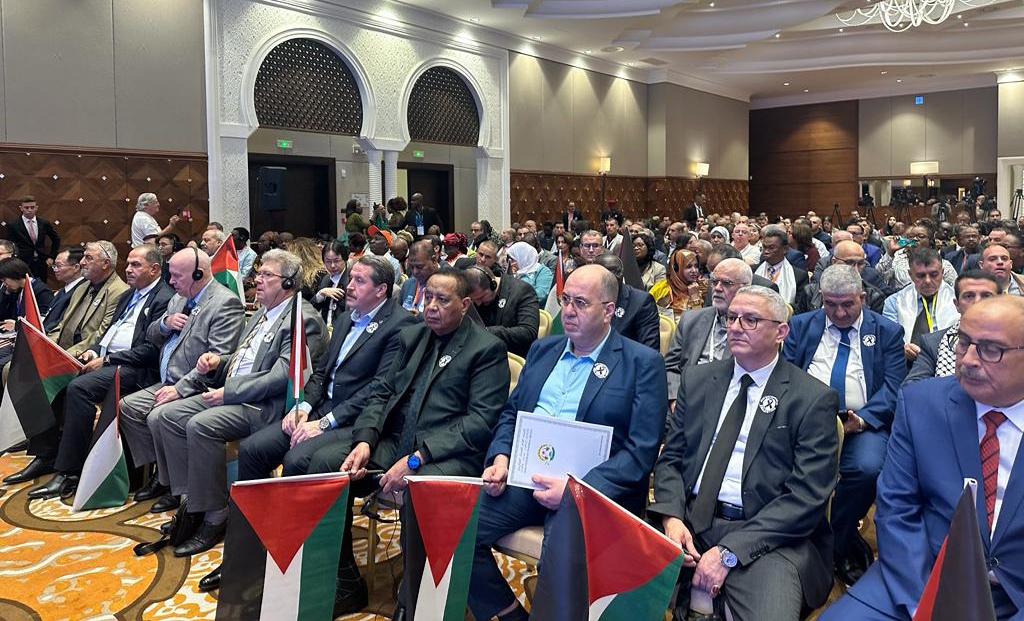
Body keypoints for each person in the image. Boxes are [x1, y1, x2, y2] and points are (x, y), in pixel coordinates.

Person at [467, 264, 668, 621]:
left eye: (581, 303)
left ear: (608, 310)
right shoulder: (543, 350)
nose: (569, 311)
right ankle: (510, 614)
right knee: (456, 527)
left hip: (591, 492)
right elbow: (512, 414)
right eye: (565, 300)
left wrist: (576, 490)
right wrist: (500, 458)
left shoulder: (642, 363)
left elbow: (641, 452)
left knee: (561, 553)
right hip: (526, 478)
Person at [824, 295, 1024, 620]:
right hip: (920, 577)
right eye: (963, 342)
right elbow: (897, 507)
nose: (968, 360)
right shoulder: (921, 404)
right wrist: (922, 604)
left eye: (991, 349)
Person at [652, 286, 839, 620]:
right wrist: (672, 516)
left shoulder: (811, 398)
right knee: (607, 588)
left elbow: (806, 497)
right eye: (732, 318)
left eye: (750, 320)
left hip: (768, 535)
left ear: (781, 332)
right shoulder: (699, 379)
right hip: (690, 521)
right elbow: (671, 459)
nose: (736, 327)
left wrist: (729, 552)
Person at [332, 270, 510, 617]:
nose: (431, 306)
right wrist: (366, 439)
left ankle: (412, 604)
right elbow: (382, 392)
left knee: (420, 488)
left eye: (442, 300)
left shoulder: (486, 348)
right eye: (428, 297)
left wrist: (417, 458)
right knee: (326, 465)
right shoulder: (412, 335)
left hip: (449, 452)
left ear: (465, 304)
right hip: (397, 439)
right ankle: (345, 579)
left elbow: (480, 422)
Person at [149, 249, 325, 556]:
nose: (257, 280)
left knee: (200, 425)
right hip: (234, 392)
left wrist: (228, 392)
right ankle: (191, 501)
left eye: (266, 275)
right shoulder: (261, 312)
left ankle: (215, 515)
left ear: (288, 283)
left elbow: (283, 377)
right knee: (164, 416)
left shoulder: (302, 319)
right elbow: (244, 359)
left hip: (265, 406)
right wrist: (218, 362)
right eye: (258, 273)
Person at [784, 264, 907, 586]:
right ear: (821, 298)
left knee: (867, 469)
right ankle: (797, 534)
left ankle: (835, 539)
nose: (839, 313)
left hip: (862, 421)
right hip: (806, 421)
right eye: (831, 304)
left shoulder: (887, 331)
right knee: (778, 462)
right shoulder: (801, 325)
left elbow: (894, 386)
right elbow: (786, 374)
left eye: (848, 304)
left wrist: (862, 420)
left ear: (862, 297)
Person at [25, 245, 174, 499]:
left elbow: (150, 351)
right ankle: (47, 453)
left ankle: (69, 472)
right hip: (108, 359)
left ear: (155, 269)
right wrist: (93, 352)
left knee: (79, 388)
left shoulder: (164, 298)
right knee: (56, 375)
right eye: (128, 263)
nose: (128, 269)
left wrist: (107, 359)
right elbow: (107, 332)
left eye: (136, 265)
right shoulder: (129, 295)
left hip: (136, 368)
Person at [118, 248, 245, 512]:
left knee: (158, 416)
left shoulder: (225, 303)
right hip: (167, 380)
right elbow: (151, 336)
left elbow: (218, 360)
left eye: (177, 276)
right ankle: (163, 475)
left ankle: (179, 487)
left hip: (197, 386)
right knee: (128, 407)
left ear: (198, 274)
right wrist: (165, 323)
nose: (171, 281)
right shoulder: (178, 298)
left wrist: (180, 389)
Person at [664, 259, 754, 404]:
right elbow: (671, 366)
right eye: (714, 282)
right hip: (685, 398)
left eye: (726, 283)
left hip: (726, 402)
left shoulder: (753, 327)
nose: (717, 288)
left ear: (745, 288)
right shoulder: (691, 320)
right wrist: (675, 400)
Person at [904, 270, 1002, 384]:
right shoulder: (933, 343)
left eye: (986, 296)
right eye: (969, 296)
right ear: (957, 305)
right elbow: (911, 386)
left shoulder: (1015, 340)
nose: (977, 302)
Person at [46, 241, 130, 358]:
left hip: (83, 357)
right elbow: (63, 324)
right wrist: (47, 345)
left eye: (88, 258)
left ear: (105, 263)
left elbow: (102, 334)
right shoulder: (82, 287)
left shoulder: (120, 292)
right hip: (61, 351)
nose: (82, 262)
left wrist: (64, 356)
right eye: (83, 257)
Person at [883, 247, 959, 363]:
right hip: (907, 363)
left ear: (942, 272)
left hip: (950, 361)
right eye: (921, 276)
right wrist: (902, 347)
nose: (928, 281)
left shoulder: (958, 300)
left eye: (934, 275)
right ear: (910, 274)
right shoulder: (894, 302)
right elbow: (889, 340)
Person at [463, 264, 540, 358]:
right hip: (481, 351)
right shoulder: (475, 298)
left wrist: (486, 331)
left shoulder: (522, 291)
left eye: (481, 297)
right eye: (474, 300)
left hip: (511, 353)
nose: (478, 304)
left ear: (493, 285)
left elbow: (528, 332)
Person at [592, 253, 660, 351]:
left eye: (617, 271)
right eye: (606, 272)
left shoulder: (641, 302)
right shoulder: (585, 297)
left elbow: (649, 351)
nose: (613, 276)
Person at [799, 240, 887, 314]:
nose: (855, 269)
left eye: (860, 264)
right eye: (849, 262)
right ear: (834, 262)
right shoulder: (810, 292)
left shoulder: (875, 296)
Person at [4, 196, 61, 279]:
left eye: (32, 207)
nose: (29, 210)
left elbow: (56, 239)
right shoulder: (13, 225)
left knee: (41, 283)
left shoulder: (44, 223)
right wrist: (15, 260)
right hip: (22, 262)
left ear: (36, 208)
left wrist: (52, 257)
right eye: (26, 207)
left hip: (41, 261)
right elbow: (9, 244)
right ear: (21, 208)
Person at [754, 225, 808, 307]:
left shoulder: (799, 276)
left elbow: (799, 307)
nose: (766, 251)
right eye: (764, 247)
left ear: (785, 249)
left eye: (771, 248)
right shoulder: (753, 270)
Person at [652, 249, 705, 321]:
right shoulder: (662, 289)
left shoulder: (702, 287)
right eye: (688, 267)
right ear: (676, 268)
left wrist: (695, 297)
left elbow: (700, 321)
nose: (694, 270)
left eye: (696, 266)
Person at [42, 247, 86, 332]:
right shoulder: (63, 290)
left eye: (59, 266)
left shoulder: (83, 291)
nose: (55, 269)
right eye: (54, 266)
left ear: (76, 267)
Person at [311, 240, 350, 325]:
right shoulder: (325, 279)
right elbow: (312, 308)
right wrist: (320, 294)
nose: (332, 266)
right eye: (328, 261)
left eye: (337, 261)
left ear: (345, 259)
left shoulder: (350, 281)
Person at [398, 240, 443, 313]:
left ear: (434, 260)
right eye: (412, 267)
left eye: (420, 267)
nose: (415, 272)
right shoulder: (408, 284)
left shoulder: (446, 286)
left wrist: (420, 317)